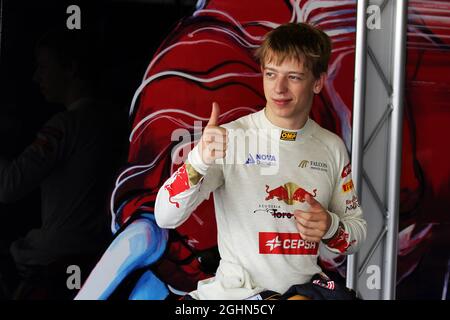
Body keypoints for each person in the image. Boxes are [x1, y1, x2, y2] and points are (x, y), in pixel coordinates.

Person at [154, 22, 367, 300]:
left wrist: (331, 226)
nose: (279, 88)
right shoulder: (230, 138)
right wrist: (199, 160)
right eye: (270, 74)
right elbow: (165, 217)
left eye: (293, 77)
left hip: (302, 293)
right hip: (234, 296)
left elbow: (355, 235)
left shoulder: (331, 147)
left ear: (318, 82)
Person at [0, 29, 119, 299]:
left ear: (71, 69)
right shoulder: (116, 121)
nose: (36, 77)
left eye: (43, 66)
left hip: (57, 267)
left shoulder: (67, 125)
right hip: (103, 259)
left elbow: (8, 186)